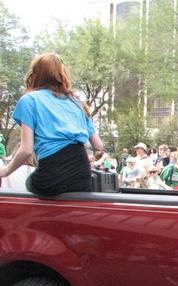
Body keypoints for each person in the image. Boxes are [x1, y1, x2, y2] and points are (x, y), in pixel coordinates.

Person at [0, 53, 106, 195]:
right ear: (62, 74)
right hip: (82, 175)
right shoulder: (76, 103)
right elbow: (98, 146)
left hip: (52, 173)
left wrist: (5, 171)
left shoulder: (29, 100)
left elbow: (26, 150)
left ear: (35, 74)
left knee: (29, 183)